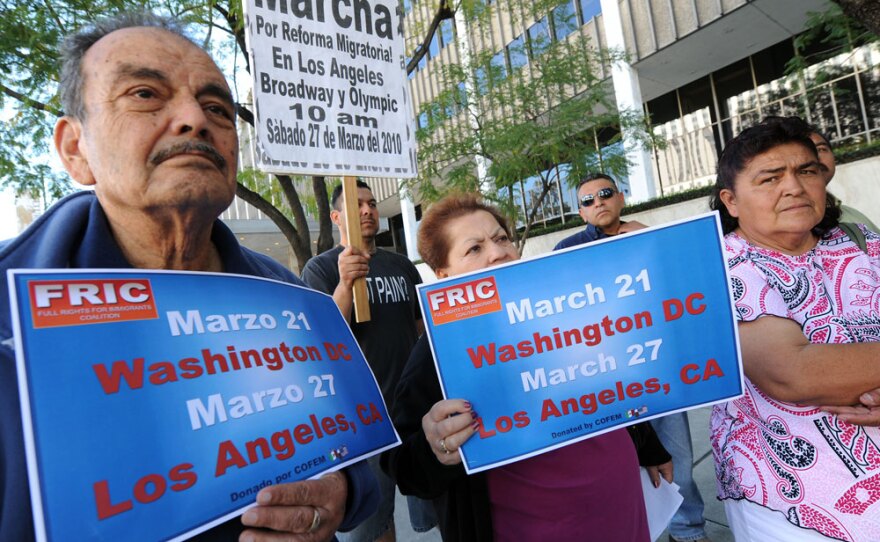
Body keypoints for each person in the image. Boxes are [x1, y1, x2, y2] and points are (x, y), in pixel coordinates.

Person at [0, 12, 378, 541]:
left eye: (217, 108)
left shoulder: (291, 299)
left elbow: (353, 452)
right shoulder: (9, 315)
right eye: (145, 94)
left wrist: (339, 494)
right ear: (74, 148)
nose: (193, 120)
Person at [382, 193, 672, 541]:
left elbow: (613, 385)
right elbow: (403, 467)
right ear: (443, 274)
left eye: (501, 238)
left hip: (620, 506)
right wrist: (435, 450)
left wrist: (649, 447)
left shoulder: (567, 312)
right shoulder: (435, 353)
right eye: (474, 249)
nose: (497, 251)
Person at [709, 118, 880, 540]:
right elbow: (793, 373)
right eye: (770, 178)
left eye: (806, 171)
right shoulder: (721, 265)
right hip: (793, 505)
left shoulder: (861, 242)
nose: (794, 187)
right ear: (731, 201)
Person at [554, 174, 712, 542]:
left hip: (658, 366)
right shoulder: (567, 250)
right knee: (617, 465)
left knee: (677, 458)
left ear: (621, 197)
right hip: (603, 375)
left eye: (605, 194)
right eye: (588, 200)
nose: (598, 203)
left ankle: (688, 532)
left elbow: (682, 290)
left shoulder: (649, 238)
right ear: (580, 212)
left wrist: (651, 243)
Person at [301, 180, 435, 541]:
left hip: (414, 411)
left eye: (372, 203)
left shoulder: (402, 265)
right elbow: (322, 340)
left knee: (434, 507)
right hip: (363, 420)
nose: (367, 210)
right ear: (335, 216)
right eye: (357, 204)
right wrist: (346, 284)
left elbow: (425, 332)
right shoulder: (322, 269)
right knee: (373, 525)